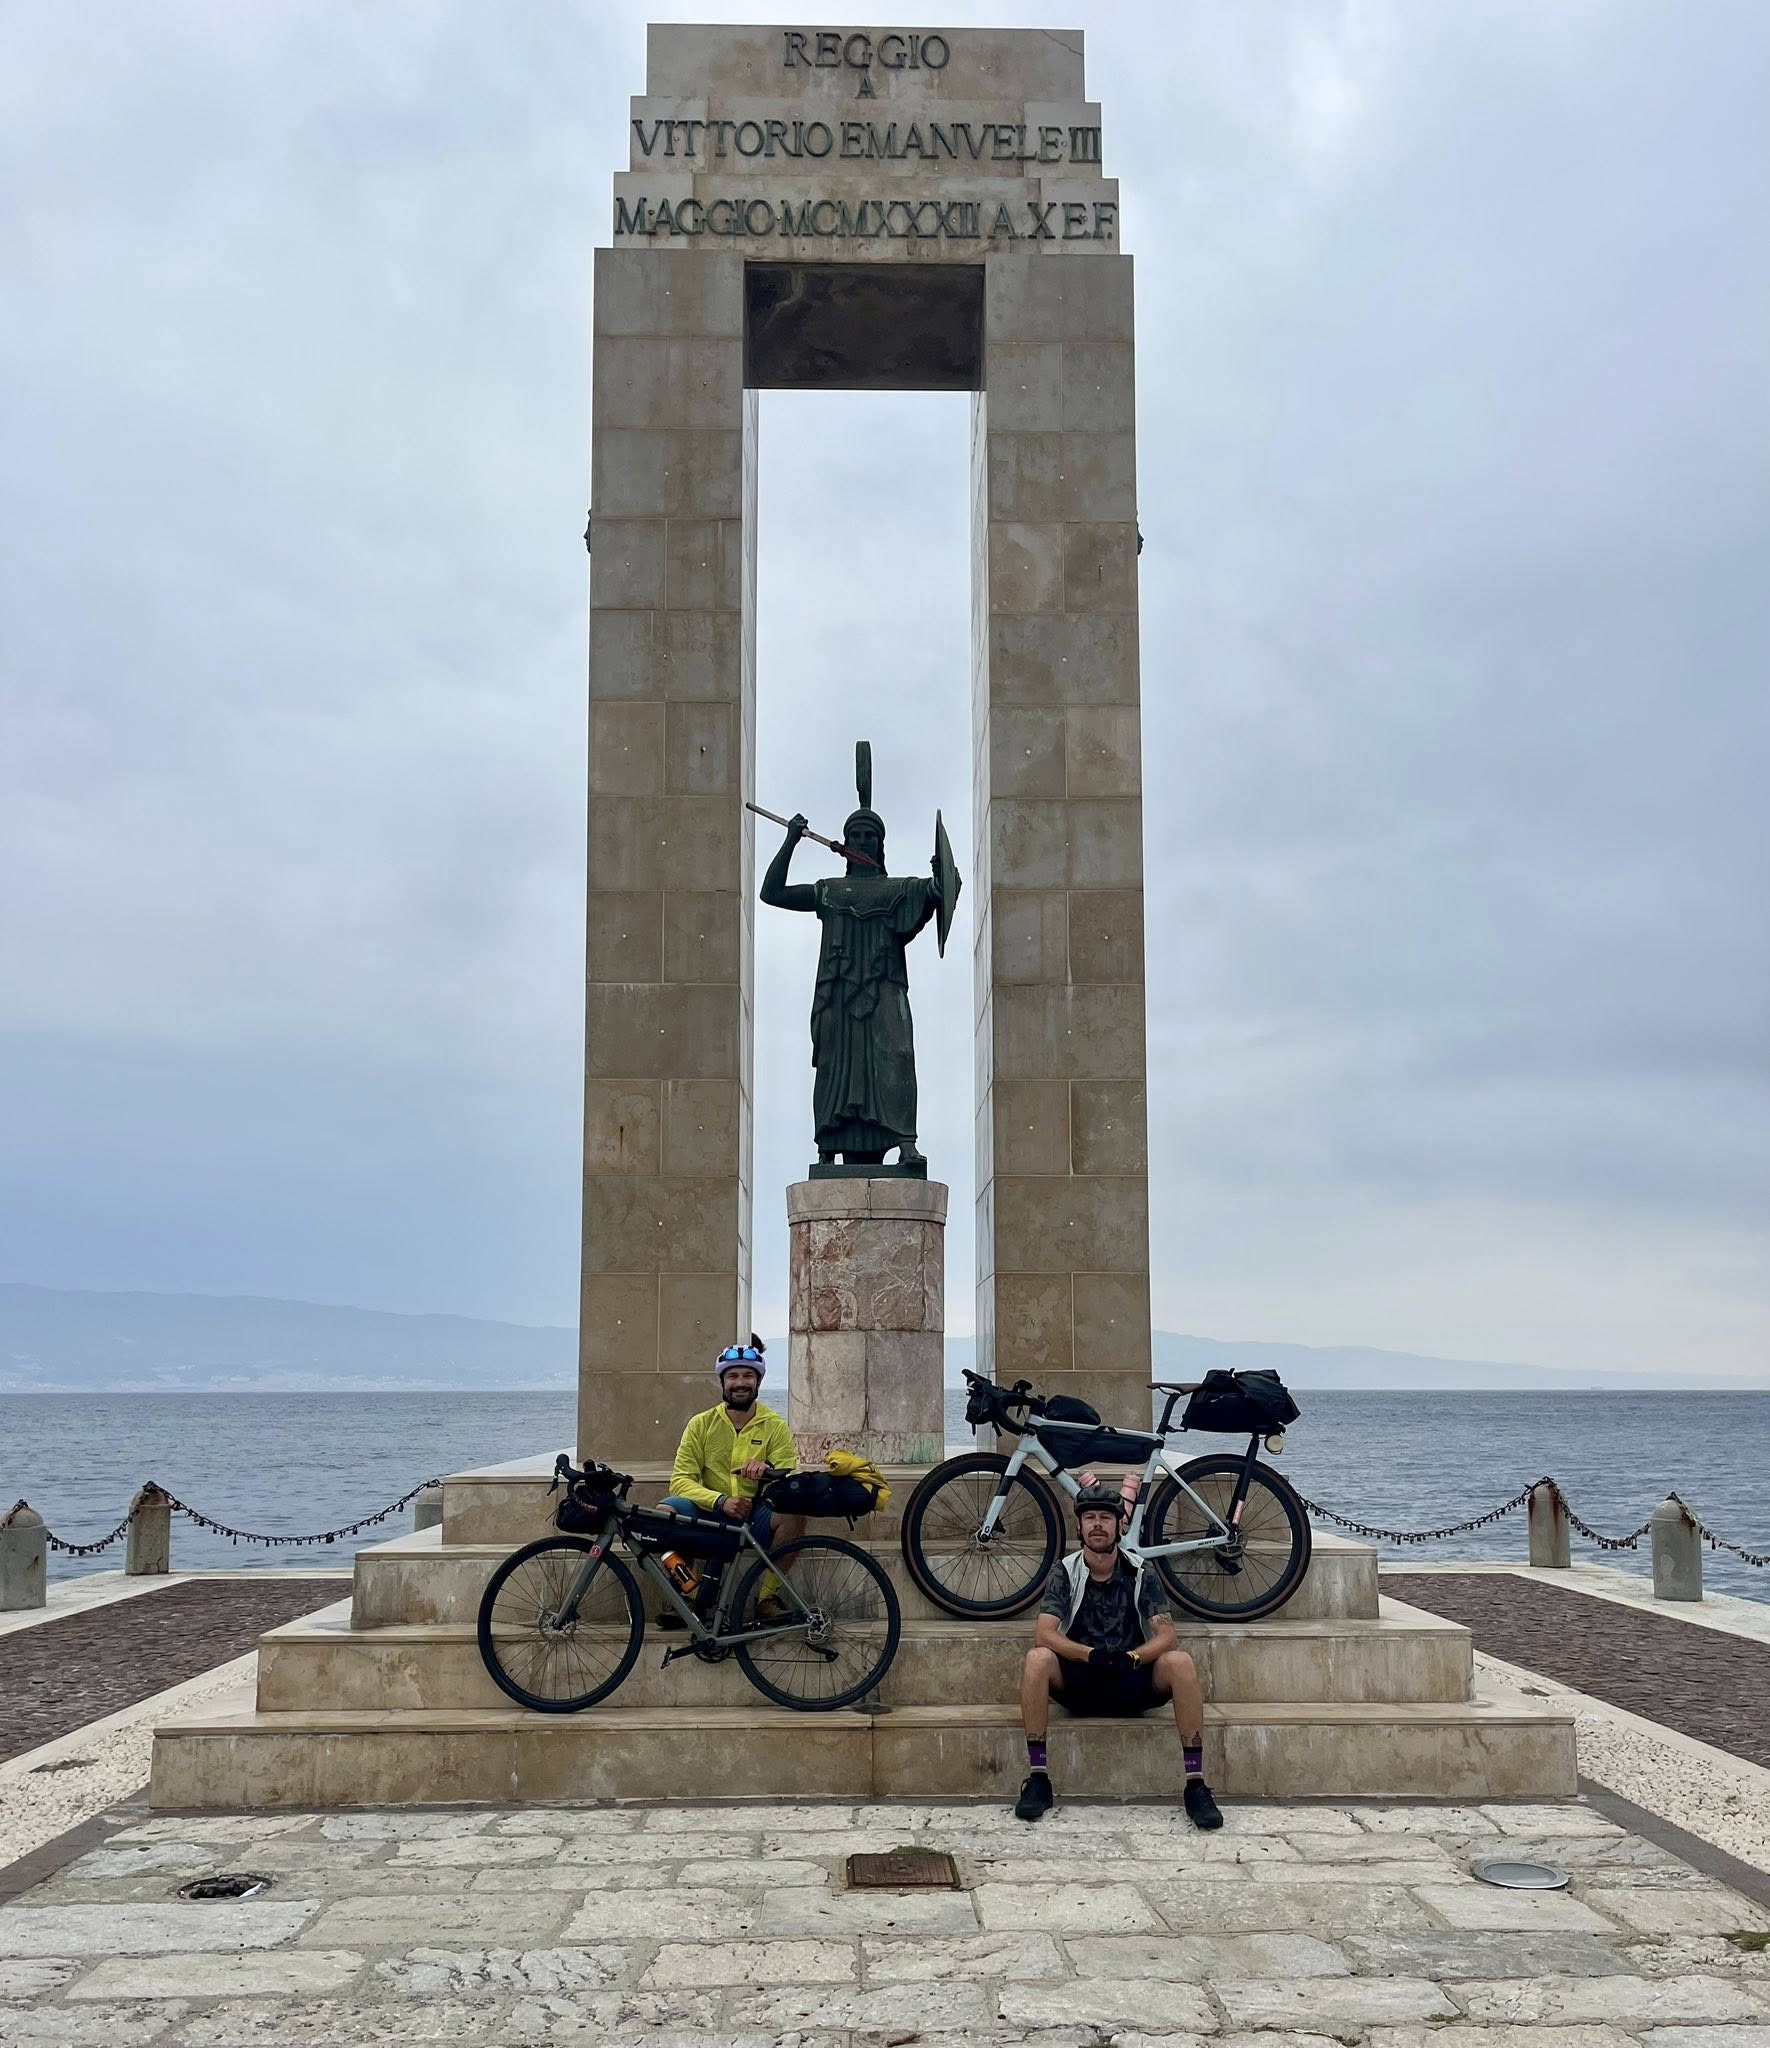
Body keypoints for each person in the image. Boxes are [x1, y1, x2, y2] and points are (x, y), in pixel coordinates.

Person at [1015, 1481, 1223, 1829]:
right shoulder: (1065, 1570)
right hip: (1080, 1680)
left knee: (1180, 1661)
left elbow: (1167, 1635)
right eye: (1090, 1517)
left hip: (1132, 1680)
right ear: (1079, 1526)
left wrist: (1134, 1658)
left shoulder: (1141, 1569)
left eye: (1106, 1518)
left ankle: (1195, 1784)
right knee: (1037, 1658)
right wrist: (1089, 1654)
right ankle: (1038, 1778)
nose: (1098, 1524)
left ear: (1119, 1525)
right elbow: (1045, 1633)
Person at [656, 1340, 805, 1629]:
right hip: (710, 1513)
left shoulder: (774, 1425)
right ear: (722, 1382)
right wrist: (720, 1501)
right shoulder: (700, 1424)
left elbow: (790, 1478)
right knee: (664, 1513)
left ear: (758, 1381)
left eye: (748, 1376)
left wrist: (768, 1471)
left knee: (795, 1514)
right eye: (733, 1376)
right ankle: (689, 1595)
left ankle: (767, 1599)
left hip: (755, 1515)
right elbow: (680, 1481)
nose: (740, 1383)